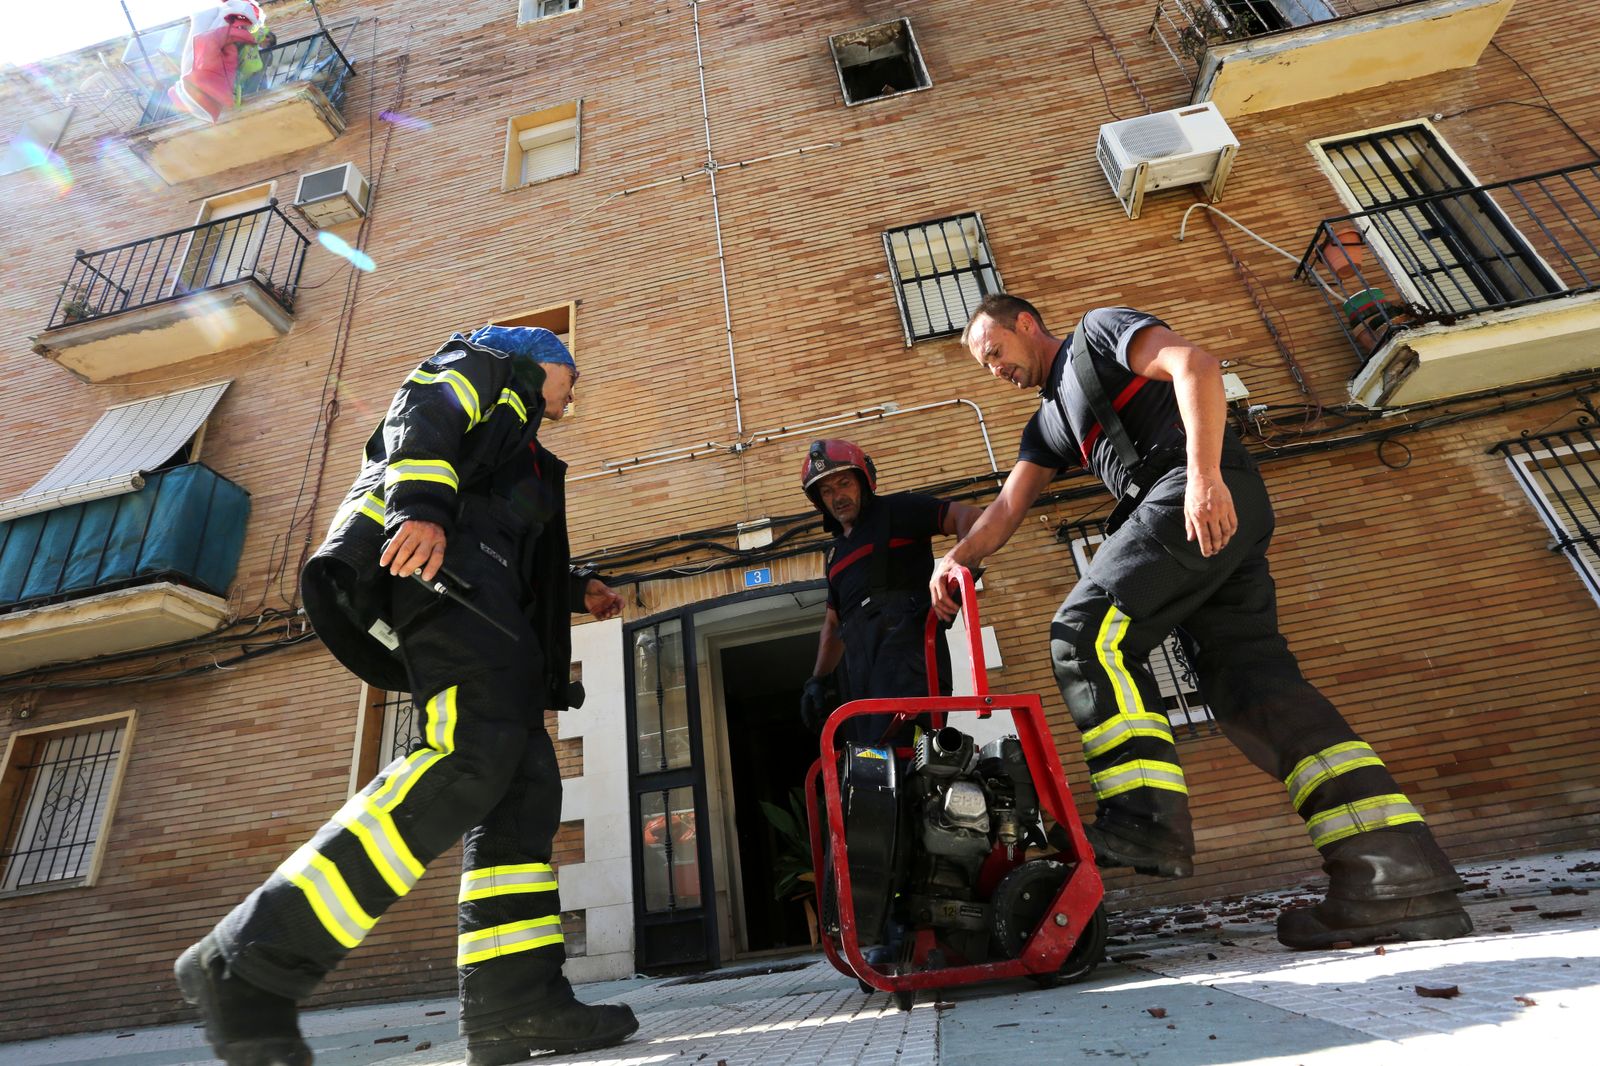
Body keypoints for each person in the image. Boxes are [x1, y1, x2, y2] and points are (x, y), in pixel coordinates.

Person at [929, 294, 1472, 950]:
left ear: (1025, 324)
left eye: (994, 353)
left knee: (1083, 633)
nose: (993, 371)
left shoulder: (1098, 334)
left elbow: (1196, 367)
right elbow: (1008, 508)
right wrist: (955, 558)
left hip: (1191, 491)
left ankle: (1144, 818)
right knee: (1254, 693)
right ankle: (1395, 875)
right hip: (1197, 511)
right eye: (982, 367)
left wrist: (1205, 478)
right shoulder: (1048, 421)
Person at [175, 326, 639, 1066]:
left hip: (488, 594)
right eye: (571, 381)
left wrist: (579, 588)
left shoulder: (520, 450)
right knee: (469, 751)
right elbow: (422, 408)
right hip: (441, 571)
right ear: (546, 360)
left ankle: (517, 1006)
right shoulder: (487, 365)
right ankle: (248, 961)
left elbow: (515, 542)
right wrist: (419, 504)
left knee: (521, 792)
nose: (571, 398)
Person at [799, 438, 981, 743]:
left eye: (844, 483)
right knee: (870, 767)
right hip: (863, 680)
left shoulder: (899, 510)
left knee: (903, 759)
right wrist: (816, 681)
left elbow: (971, 518)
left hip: (909, 664)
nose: (837, 496)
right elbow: (832, 626)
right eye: (827, 491)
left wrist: (955, 567)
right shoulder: (835, 557)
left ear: (864, 480)